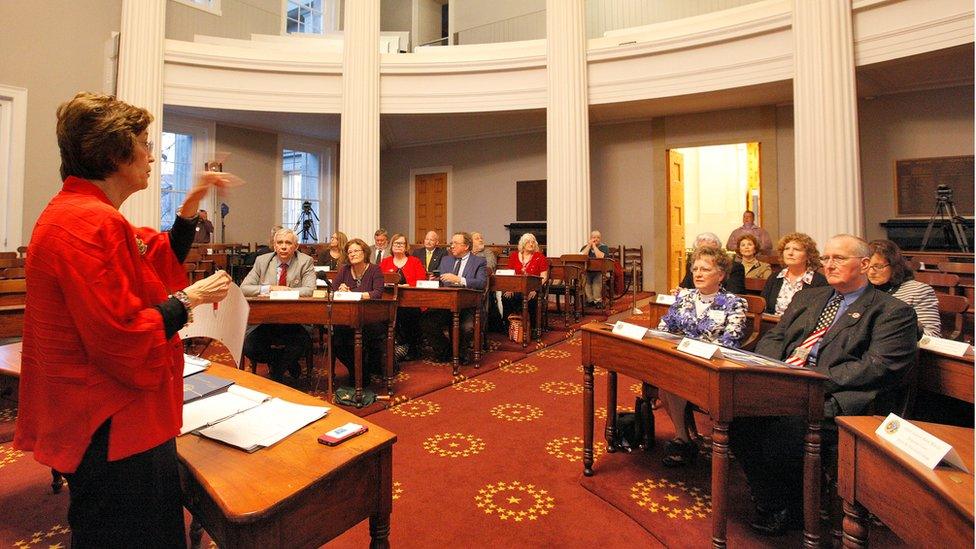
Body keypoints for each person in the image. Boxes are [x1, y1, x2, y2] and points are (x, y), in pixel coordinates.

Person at [14, 92, 235, 547]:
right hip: (113, 425)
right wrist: (189, 298)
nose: (152, 155)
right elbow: (122, 336)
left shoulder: (78, 211)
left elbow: (151, 255)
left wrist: (193, 198)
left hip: (98, 418)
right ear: (116, 152)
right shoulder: (91, 223)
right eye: (144, 143)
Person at [730, 234, 918, 536]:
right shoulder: (809, 297)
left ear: (865, 264)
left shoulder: (892, 312)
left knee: (785, 433)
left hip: (835, 397)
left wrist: (810, 380)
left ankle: (794, 507)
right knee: (736, 417)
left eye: (839, 258)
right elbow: (775, 338)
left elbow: (877, 366)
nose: (829, 265)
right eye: (826, 258)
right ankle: (773, 497)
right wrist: (770, 372)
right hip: (783, 384)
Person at [656, 247, 747, 467]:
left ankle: (685, 440)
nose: (697, 273)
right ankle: (684, 437)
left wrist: (695, 351)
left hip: (713, 366)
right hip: (682, 361)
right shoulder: (685, 298)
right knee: (666, 382)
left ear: (721, 275)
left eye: (705, 269)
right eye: (695, 269)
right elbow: (663, 327)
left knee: (671, 381)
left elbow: (730, 342)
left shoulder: (734, 303)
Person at [241, 228, 317, 381]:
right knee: (249, 346)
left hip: (294, 320)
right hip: (266, 320)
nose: (283, 246)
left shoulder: (305, 261)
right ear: (274, 246)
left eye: (288, 243)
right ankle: (286, 364)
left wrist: (285, 292)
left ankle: (276, 374)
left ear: (295, 246)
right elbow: (244, 288)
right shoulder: (262, 261)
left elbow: (309, 290)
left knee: (300, 344)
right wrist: (271, 288)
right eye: (279, 243)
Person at [423, 232, 488, 361]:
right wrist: (432, 281)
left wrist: (459, 279)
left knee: (467, 327)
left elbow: (481, 283)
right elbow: (442, 282)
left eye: (455, 243)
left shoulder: (479, 261)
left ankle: (461, 353)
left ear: (466, 246)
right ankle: (445, 350)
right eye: (451, 243)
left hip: (469, 307)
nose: (451, 246)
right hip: (447, 304)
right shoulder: (446, 260)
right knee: (426, 321)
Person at [332, 238, 387, 386]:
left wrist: (354, 293)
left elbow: (377, 293)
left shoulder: (374, 269)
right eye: (349, 252)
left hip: (370, 319)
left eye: (356, 251)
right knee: (336, 340)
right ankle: (357, 370)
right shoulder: (344, 269)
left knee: (357, 338)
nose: (352, 254)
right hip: (347, 318)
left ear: (364, 252)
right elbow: (333, 290)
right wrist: (340, 290)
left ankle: (361, 373)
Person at [867, 239, 941, 337]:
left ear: (894, 265)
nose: (871, 272)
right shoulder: (863, 290)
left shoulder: (918, 290)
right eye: (867, 266)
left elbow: (931, 335)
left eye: (878, 266)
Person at [760, 232, 828, 315]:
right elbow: (763, 308)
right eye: (787, 249)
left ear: (808, 255)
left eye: (796, 249)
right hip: (772, 325)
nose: (790, 253)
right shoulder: (774, 278)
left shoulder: (819, 282)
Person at [502, 232, 548, 331]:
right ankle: (508, 325)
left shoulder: (540, 257)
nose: (531, 244)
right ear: (522, 244)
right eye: (528, 242)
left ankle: (533, 328)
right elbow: (510, 274)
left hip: (534, 288)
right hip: (516, 287)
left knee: (532, 298)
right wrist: (510, 288)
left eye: (533, 242)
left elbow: (544, 277)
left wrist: (535, 289)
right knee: (505, 296)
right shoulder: (514, 256)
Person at [679, 232, 745, 294]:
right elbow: (685, 286)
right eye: (701, 252)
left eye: (710, 252)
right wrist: (680, 291)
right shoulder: (692, 265)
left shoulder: (735, 268)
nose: (698, 274)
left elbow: (733, 293)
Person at [581, 230, 610, 306]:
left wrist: (594, 246)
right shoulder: (585, 247)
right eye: (594, 237)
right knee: (585, 279)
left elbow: (600, 257)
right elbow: (582, 256)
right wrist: (589, 246)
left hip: (600, 271)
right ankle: (590, 300)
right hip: (587, 270)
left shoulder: (604, 247)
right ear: (590, 238)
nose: (596, 239)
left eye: (598, 237)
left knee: (597, 280)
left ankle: (597, 301)